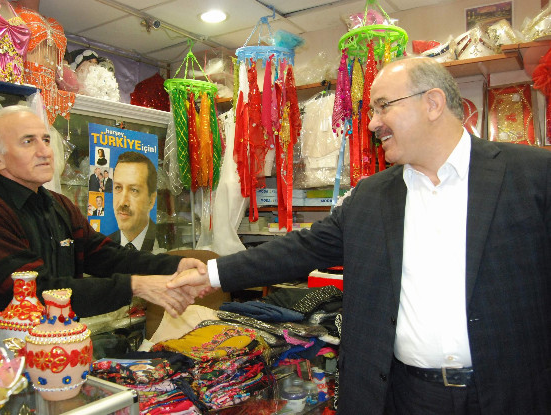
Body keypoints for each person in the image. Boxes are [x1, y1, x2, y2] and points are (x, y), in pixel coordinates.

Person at [170, 57, 551, 414]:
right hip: (404, 396)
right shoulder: (372, 196)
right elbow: (302, 248)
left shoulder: (532, 175)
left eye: (384, 106)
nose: (372, 123)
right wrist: (212, 274)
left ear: (433, 103)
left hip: (511, 393)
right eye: (372, 110)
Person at [0, 105, 206, 324]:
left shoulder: (58, 204)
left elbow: (105, 256)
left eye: (46, 140)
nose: (44, 151)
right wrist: (134, 286)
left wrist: (175, 264)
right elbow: (31, 291)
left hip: (59, 346)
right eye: (28, 141)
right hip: (0, 358)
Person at [108, 151, 157, 251]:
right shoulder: (105, 245)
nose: (123, 202)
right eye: (118, 188)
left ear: (151, 200)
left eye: (134, 190)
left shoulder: (164, 242)